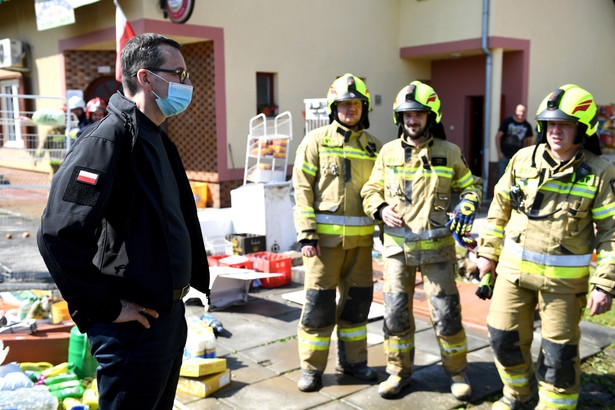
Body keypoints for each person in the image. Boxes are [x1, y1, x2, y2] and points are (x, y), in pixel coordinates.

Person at [37, 33, 210, 409]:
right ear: (146, 78)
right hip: (132, 329)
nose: (187, 84)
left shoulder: (158, 140)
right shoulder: (108, 140)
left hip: (166, 317)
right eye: (178, 73)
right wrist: (105, 307)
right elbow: (58, 234)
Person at [476, 84, 614, 410]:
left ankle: (554, 406)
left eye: (564, 124)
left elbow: (611, 232)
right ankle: (518, 396)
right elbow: (498, 210)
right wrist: (486, 254)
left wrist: (605, 283)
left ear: (583, 127)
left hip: (563, 284)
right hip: (512, 273)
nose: (555, 131)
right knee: (502, 336)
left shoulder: (599, 173)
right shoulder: (523, 159)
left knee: (559, 354)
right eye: (550, 124)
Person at [361, 81, 482, 400]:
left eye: (419, 114)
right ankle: (397, 372)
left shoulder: (449, 152)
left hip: (438, 253)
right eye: (407, 114)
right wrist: (382, 208)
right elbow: (370, 191)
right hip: (397, 252)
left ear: (432, 117)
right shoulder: (387, 153)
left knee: (446, 313)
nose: (412, 120)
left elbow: (472, 187)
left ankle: (457, 372)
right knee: (396, 313)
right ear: (399, 118)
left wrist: (468, 202)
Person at [292, 73, 382, 392]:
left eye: (355, 104)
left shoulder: (375, 147)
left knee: (358, 306)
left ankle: (354, 362)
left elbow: (382, 193)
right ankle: (312, 369)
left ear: (364, 108)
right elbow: (302, 189)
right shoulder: (315, 141)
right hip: (323, 247)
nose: (349, 109)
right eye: (344, 104)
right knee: (318, 307)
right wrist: (307, 235)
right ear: (334, 107)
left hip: (361, 245)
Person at [496, 104, 533, 179]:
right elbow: (497, 137)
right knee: (501, 177)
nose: (521, 113)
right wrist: (499, 153)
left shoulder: (527, 125)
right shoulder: (507, 122)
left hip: (518, 158)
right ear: (515, 111)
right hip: (504, 156)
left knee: (515, 179)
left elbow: (529, 142)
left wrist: (525, 155)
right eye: (519, 111)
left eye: (523, 111)